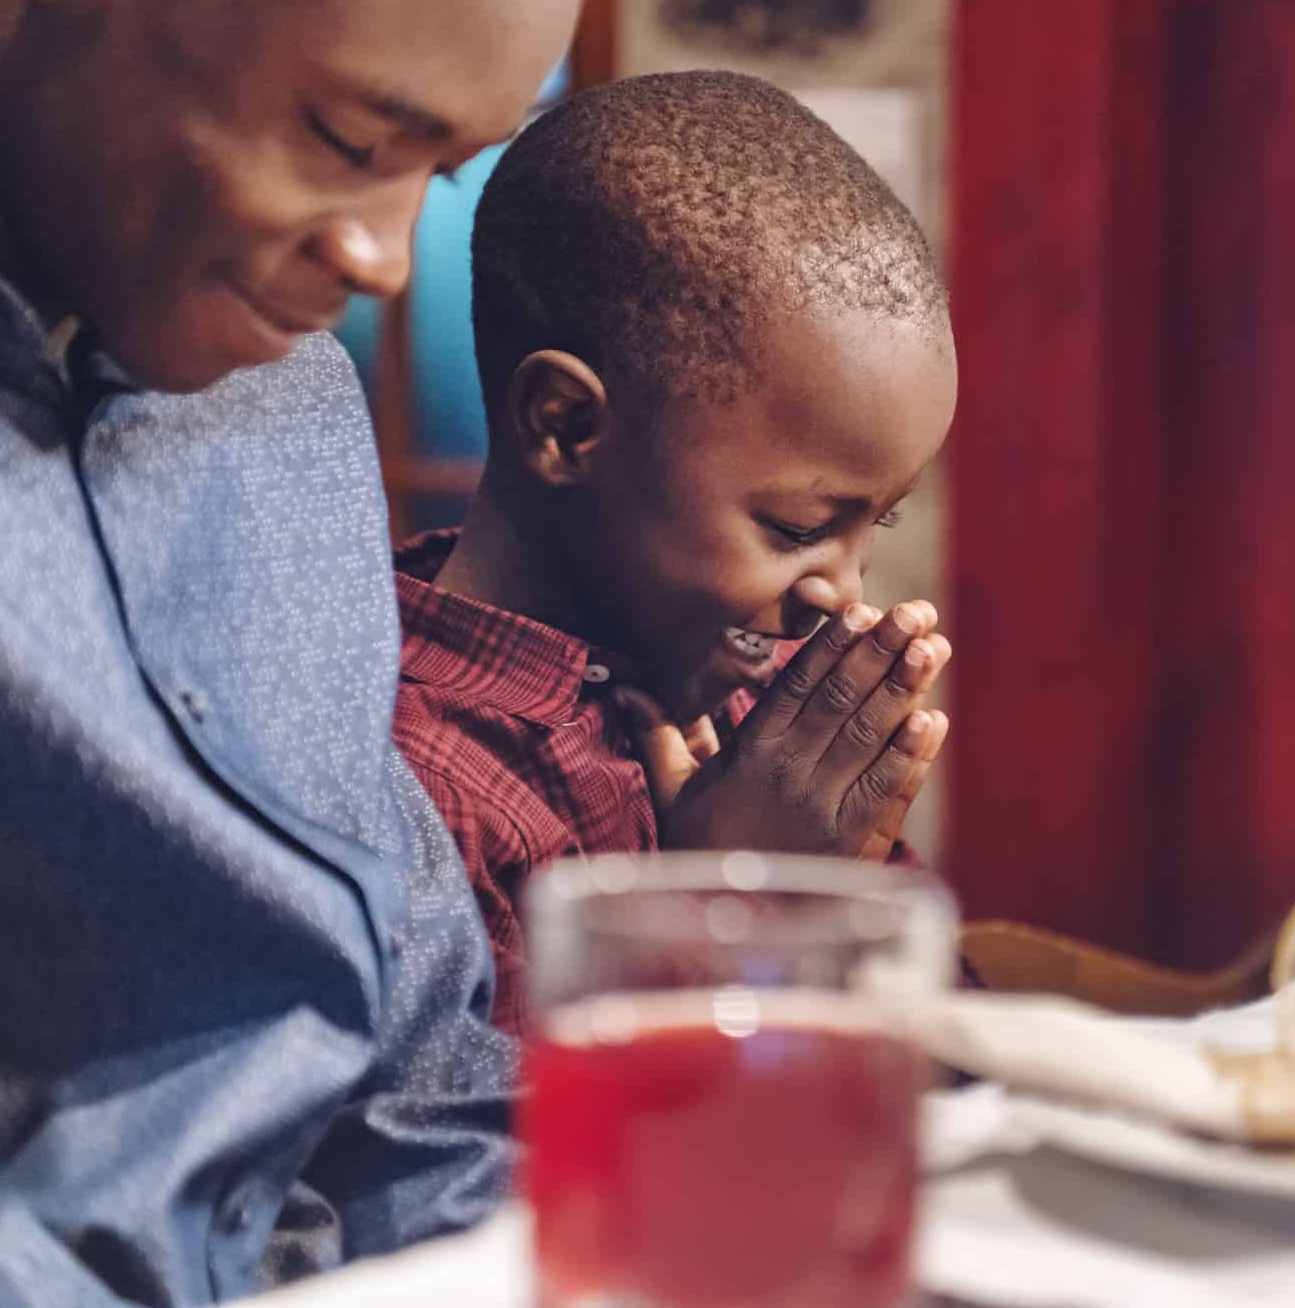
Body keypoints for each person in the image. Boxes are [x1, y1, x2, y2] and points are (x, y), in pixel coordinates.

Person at [0, 0, 601, 1302]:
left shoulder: (278, 398)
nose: (384, 260)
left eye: (440, 174)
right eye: (346, 142)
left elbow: (422, 1082)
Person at [390, 72, 958, 1029]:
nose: (843, 591)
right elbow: (509, 1156)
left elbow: (936, 1041)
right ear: (566, 427)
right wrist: (729, 906)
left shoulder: (743, 701)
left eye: (878, 524)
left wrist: (831, 887)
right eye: (797, 529)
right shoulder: (421, 788)